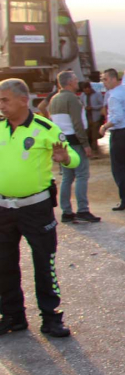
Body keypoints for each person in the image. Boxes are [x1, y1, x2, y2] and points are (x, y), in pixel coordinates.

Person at [0, 78, 77, 338]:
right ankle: (13, 316)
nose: (1, 106)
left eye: (5, 100)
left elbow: (73, 157)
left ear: (23, 100)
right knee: (4, 264)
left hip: (36, 208)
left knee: (44, 263)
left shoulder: (46, 128)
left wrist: (65, 157)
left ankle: (50, 317)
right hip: (3, 210)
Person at [47, 72, 100, 224]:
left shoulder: (54, 99)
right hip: (75, 141)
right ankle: (82, 210)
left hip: (62, 142)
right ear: (70, 82)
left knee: (66, 177)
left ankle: (67, 212)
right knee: (82, 175)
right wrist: (85, 144)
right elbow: (77, 123)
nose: (78, 82)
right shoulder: (72, 99)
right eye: (76, 79)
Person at [100, 69, 125, 211]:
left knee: (119, 168)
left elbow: (117, 117)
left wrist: (104, 126)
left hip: (120, 133)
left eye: (105, 79)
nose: (104, 83)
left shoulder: (114, 96)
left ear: (112, 79)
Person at [81, 82, 103, 155]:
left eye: (88, 88)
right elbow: (81, 105)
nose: (86, 90)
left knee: (94, 136)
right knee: (87, 135)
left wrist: (93, 107)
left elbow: (101, 105)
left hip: (95, 118)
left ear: (90, 88)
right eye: (85, 89)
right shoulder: (82, 95)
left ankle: (95, 151)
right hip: (86, 119)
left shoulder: (97, 95)